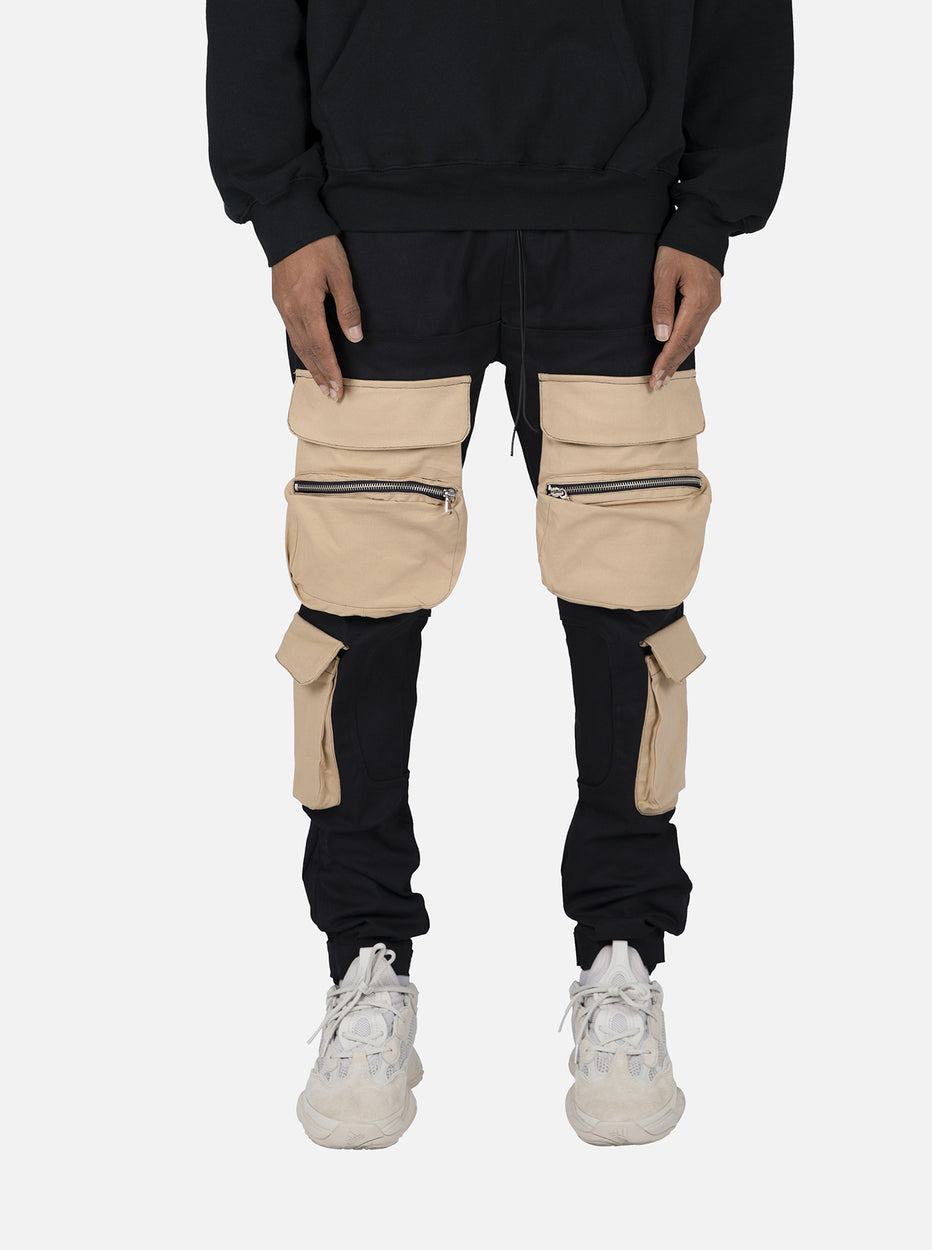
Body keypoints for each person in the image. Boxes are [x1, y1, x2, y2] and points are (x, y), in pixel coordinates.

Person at [206, 0, 793, 1149]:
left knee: (630, 609)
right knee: (356, 612)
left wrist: (713, 208)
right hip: (374, 227)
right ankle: (364, 960)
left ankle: (622, 955)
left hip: (617, 223)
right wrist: (282, 210)